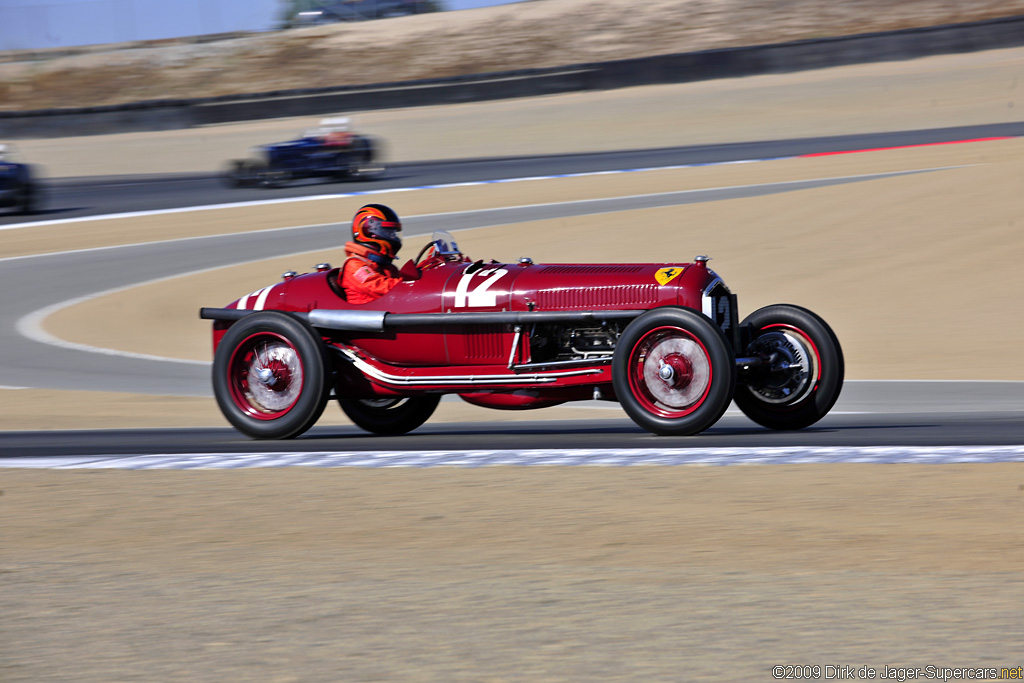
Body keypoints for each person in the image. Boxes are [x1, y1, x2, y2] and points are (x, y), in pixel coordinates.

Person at [340, 204, 407, 304]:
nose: (393, 236)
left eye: (393, 232)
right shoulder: (354, 265)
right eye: (387, 232)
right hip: (365, 316)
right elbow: (382, 288)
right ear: (369, 233)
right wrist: (412, 285)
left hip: (388, 310)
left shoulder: (387, 266)